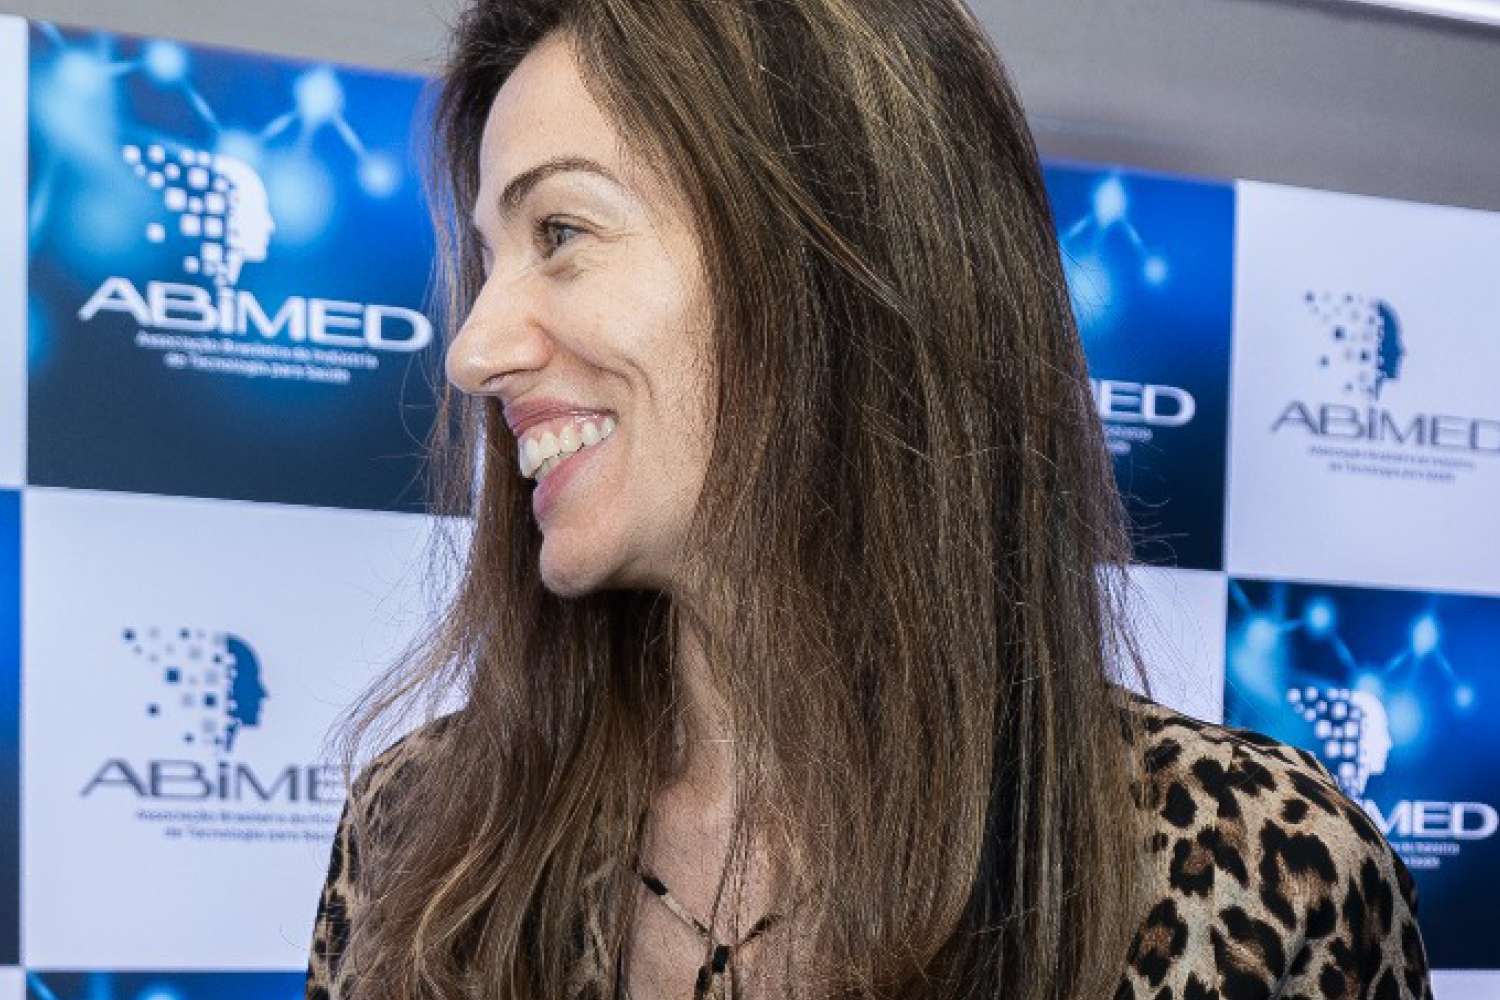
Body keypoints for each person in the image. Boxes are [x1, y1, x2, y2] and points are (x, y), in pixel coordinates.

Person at [304, 1, 1434, 998]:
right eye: (492, 257)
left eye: (561, 232)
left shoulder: (1254, 872)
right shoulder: (422, 837)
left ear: (829, 262)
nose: (474, 350)